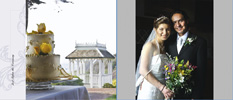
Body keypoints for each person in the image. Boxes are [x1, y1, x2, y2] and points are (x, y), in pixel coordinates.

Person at [166, 10, 207, 99]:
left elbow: (201, 72)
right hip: (170, 93)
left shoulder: (200, 42)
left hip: (189, 94)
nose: (178, 25)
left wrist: (196, 96)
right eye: (174, 22)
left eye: (180, 20)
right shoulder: (169, 41)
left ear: (187, 21)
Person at [135, 16, 174, 99]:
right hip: (150, 89)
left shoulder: (166, 47)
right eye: (161, 29)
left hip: (163, 90)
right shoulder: (150, 45)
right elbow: (143, 70)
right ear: (155, 29)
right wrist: (162, 87)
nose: (165, 32)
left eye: (167, 29)